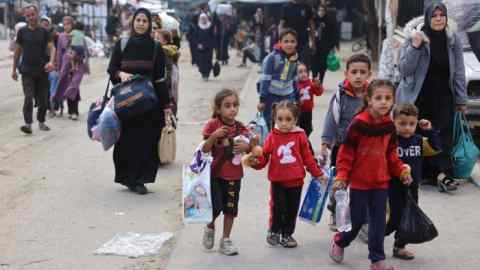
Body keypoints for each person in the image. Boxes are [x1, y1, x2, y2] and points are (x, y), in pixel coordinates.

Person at [329, 79, 413, 270]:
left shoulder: (389, 126)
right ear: (369, 99)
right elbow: (346, 153)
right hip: (359, 183)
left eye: (388, 98)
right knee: (357, 222)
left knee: (378, 224)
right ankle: (340, 241)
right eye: (378, 98)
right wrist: (342, 176)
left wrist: (401, 171)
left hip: (380, 182)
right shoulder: (358, 124)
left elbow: (392, 154)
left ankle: (377, 260)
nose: (383, 102)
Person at [396, 2, 467, 190]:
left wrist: (461, 99)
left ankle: (442, 174)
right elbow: (404, 68)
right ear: (428, 18)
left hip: (444, 96)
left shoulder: (452, 39)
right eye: (434, 15)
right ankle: (421, 172)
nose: (438, 19)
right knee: (418, 133)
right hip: (418, 96)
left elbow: (459, 71)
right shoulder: (415, 37)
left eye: (441, 15)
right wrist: (415, 46)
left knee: (443, 135)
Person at [107, 8, 171, 195]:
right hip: (126, 103)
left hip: (149, 104)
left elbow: (160, 79)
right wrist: (121, 74)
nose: (141, 23)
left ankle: (140, 179)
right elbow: (112, 69)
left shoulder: (155, 48)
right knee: (126, 141)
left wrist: (167, 106)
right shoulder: (122, 44)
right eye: (138, 20)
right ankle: (128, 178)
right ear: (133, 22)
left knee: (147, 141)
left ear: (149, 24)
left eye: (145, 20)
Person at [249, 100, 327, 248]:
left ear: (295, 120)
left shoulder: (300, 136)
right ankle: (274, 231)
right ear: (274, 119)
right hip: (278, 181)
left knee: (291, 210)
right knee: (277, 208)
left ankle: (287, 234)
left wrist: (317, 174)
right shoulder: (272, 136)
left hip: (296, 182)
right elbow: (264, 157)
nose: (284, 123)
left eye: (288, 119)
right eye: (280, 119)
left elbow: (308, 158)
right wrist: (255, 162)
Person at [320, 54, 371, 231]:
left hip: (365, 149)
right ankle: (335, 212)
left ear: (369, 75)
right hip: (341, 147)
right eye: (354, 72)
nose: (358, 76)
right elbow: (331, 119)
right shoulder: (341, 95)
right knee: (339, 183)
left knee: (363, 184)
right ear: (346, 73)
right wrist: (326, 142)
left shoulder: (371, 96)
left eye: (362, 72)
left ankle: (363, 219)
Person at [386, 103, 441, 260]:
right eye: (402, 124)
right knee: (394, 219)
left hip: (412, 186)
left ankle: (399, 247)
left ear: (417, 123)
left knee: (407, 217)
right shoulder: (391, 140)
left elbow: (436, 147)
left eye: (411, 124)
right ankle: (374, 234)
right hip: (393, 185)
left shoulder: (418, 140)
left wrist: (430, 131)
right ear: (394, 122)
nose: (407, 128)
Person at [201, 89, 252, 256]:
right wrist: (214, 136)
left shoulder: (240, 127)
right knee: (215, 208)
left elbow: (252, 146)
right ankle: (210, 226)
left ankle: (226, 239)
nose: (232, 109)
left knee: (230, 210)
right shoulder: (212, 125)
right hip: (215, 175)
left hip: (234, 176)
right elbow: (205, 149)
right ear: (218, 109)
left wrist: (248, 147)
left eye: (235, 105)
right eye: (227, 106)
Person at [12, 5, 55, 134]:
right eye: (28, 15)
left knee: (42, 101)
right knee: (28, 98)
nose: (30, 17)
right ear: (25, 17)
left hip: (42, 71)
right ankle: (28, 124)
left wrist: (51, 61)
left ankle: (41, 121)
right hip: (26, 71)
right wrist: (14, 69)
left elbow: (52, 48)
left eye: (32, 14)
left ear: (37, 14)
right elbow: (17, 52)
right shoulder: (22, 32)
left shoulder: (44, 32)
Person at [257, 29, 300, 130]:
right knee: (270, 123)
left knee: (288, 123)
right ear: (280, 42)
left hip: (288, 96)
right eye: (286, 41)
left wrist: (296, 97)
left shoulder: (295, 58)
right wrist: (262, 100)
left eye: (292, 41)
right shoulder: (272, 58)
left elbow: (294, 79)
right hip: (271, 97)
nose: (289, 44)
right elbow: (265, 79)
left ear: (296, 43)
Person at [279, 0, 315, 64]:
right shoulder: (286, 7)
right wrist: (280, 40)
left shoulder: (307, 7)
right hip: (290, 42)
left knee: (304, 65)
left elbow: (311, 24)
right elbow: (281, 24)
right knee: (290, 64)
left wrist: (313, 41)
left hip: (304, 41)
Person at [52, 16, 74, 117]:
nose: (66, 26)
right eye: (64, 24)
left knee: (73, 88)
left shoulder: (75, 35)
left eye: (68, 24)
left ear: (72, 24)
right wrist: (58, 65)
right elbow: (59, 52)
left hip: (74, 65)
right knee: (60, 86)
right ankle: (57, 106)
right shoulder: (61, 36)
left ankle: (72, 110)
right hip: (63, 65)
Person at [311, 4, 338, 82]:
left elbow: (334, 34)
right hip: (315, 46)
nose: (321, 12)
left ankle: (321, 80)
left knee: (323, 65)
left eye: (322, 10)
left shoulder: (329, 21)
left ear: (325, 11)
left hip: (325, 47)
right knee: (314, 65)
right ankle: (314, 79)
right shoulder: (314, 20)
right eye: (319, 10)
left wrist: (332, 46)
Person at [296, 63, 324, 137]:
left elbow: (319, 93)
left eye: (305, 71)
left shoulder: (310, 83)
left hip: (308, 111)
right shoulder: (295, 84)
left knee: (308, 129)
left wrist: (318, 85)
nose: (303, 74)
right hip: (297, 111)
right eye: (300, 72)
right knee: (298, 128)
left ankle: (305, 140)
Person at [195, 13, 216, 81]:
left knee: (208, 60)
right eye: (202, 18)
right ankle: (203, 73)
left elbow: (213, 36)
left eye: (204, 18)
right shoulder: (198, 26)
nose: (203, 20)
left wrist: (212, 45)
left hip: (209, 47)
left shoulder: (210, 26)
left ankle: (207, 74)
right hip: (200, 47)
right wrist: (198, 44)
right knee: (201, 61)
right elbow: (196, 36)